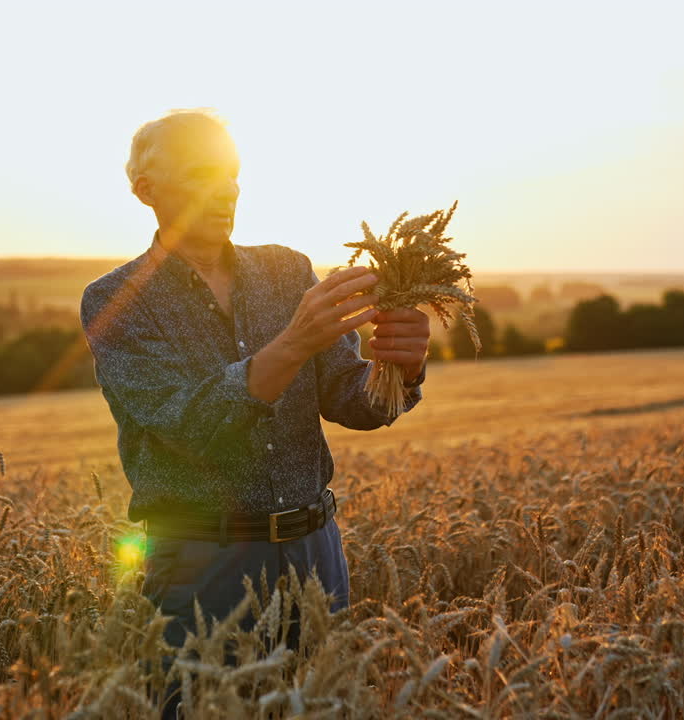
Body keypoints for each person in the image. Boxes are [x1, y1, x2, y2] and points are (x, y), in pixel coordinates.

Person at [79, 109, 430, 717]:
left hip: (315, 553)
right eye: (201, 174)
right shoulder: (116, 300)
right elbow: (193, 427)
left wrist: (401, 365)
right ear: (146, 191)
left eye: (233, 174)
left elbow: (352, 401)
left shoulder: (287, 271)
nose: (226, 190)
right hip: (200, 567)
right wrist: (292, 343)